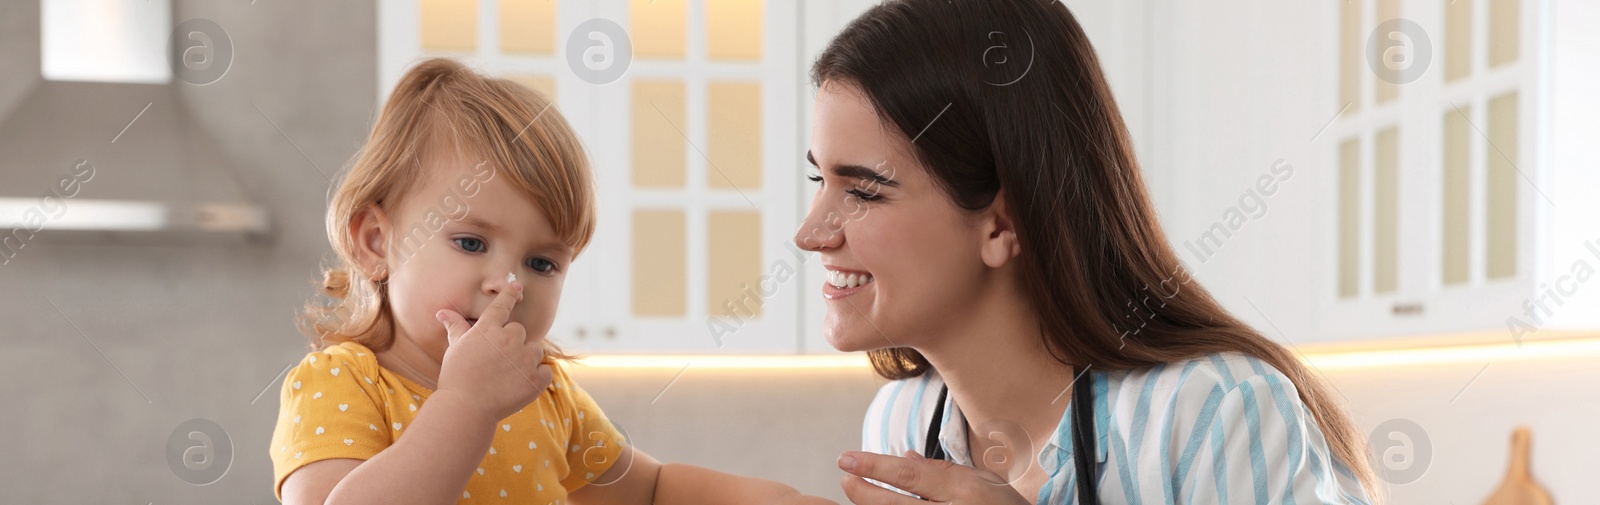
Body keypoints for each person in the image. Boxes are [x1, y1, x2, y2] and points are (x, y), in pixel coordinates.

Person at [795, 1, 1382, 503]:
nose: (811, 233)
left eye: (864, 191)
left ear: (1002, 224)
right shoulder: (900, 422)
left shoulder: (1214, 412)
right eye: (819, 181)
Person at [270, 57, 833, 505]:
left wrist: (784, 499)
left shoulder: (545, 395)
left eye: (542, 263)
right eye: (470, 243)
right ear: (375, 243)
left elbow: (655, 492)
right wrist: (466, 405)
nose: (508, 285)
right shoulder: (344, 382)